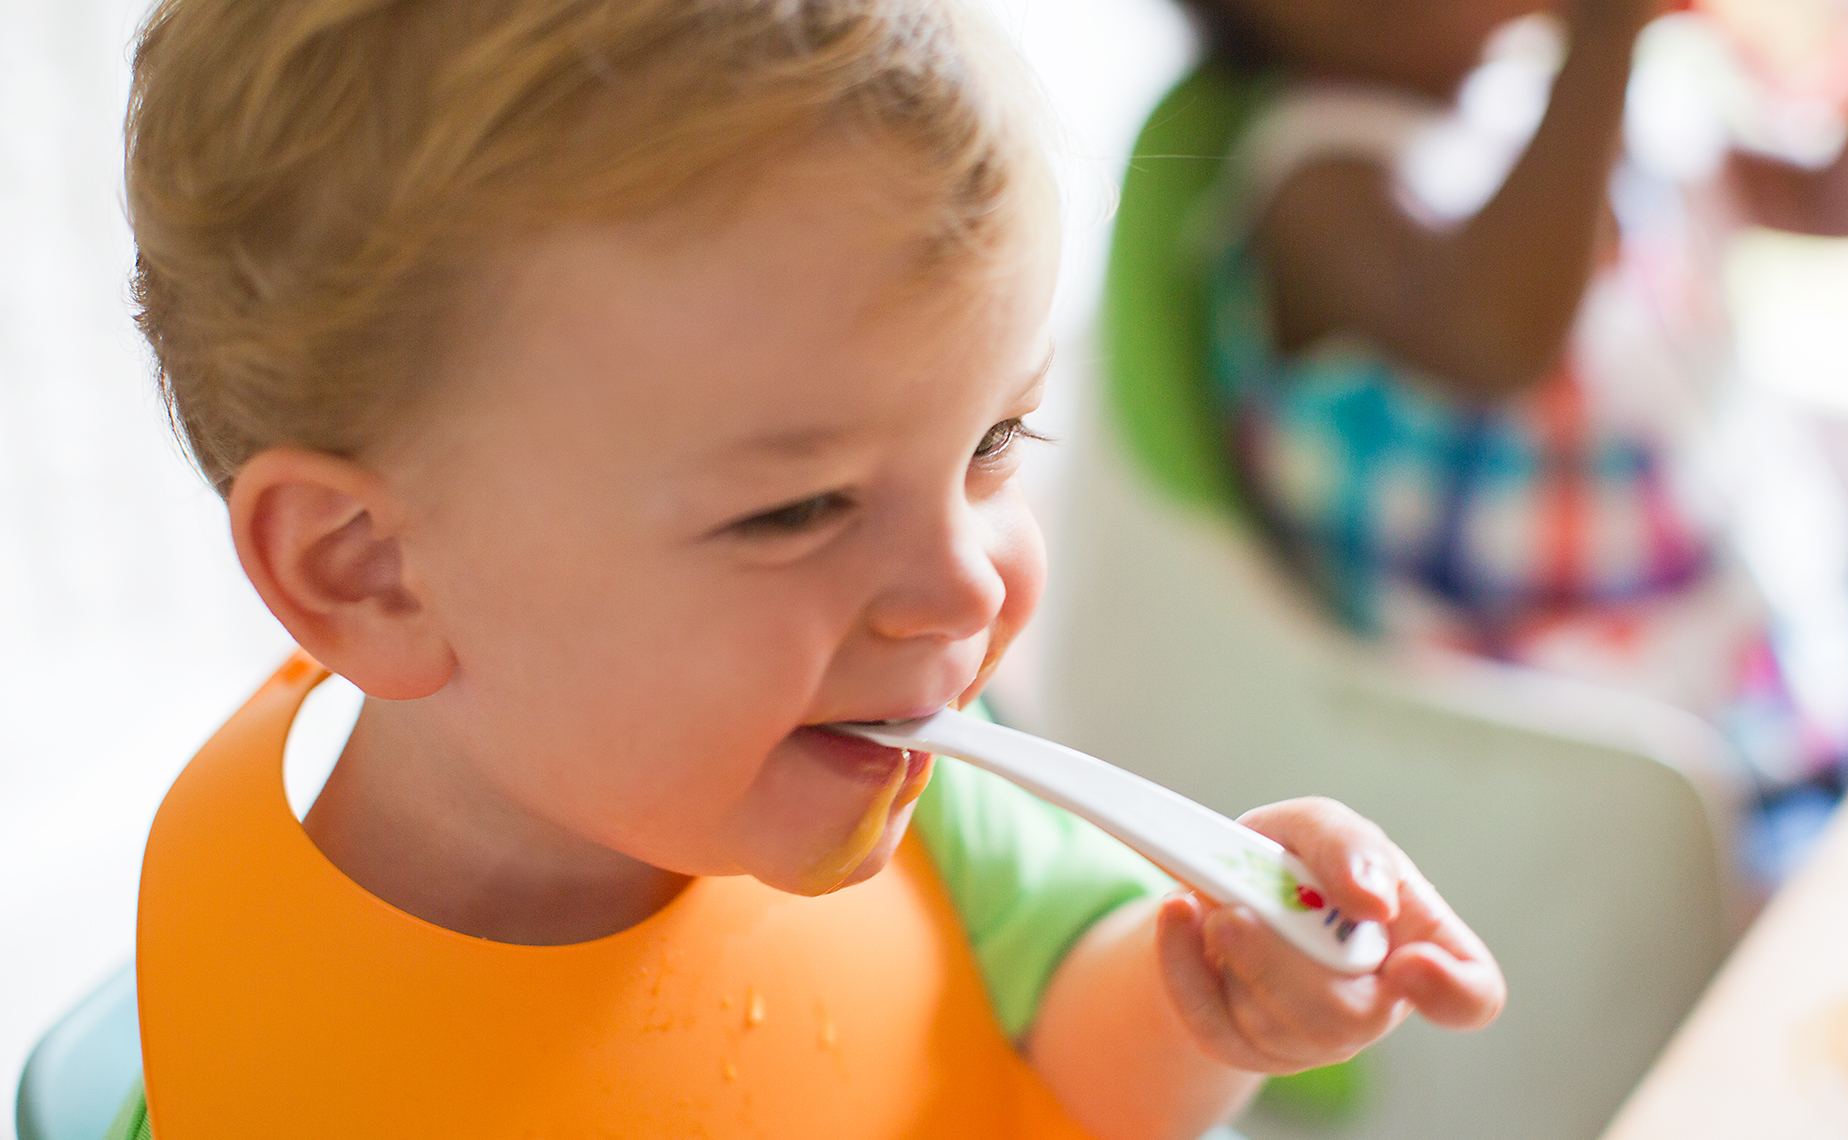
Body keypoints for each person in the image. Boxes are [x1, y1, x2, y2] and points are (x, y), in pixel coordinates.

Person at [106, 1, 1505, 1137]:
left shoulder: (899, 783)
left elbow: (1063, 1066)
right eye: (799, 510)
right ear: (373, 575)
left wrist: (1211, 1010)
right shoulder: (282, 1066)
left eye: (994, 439)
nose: (965, 589)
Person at [1178, 0, 1848, 883]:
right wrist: (1606, 33)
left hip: (1802, 667)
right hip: (1623, 797)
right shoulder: (1318, 182)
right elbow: (1498, 333)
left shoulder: (1589, 105)